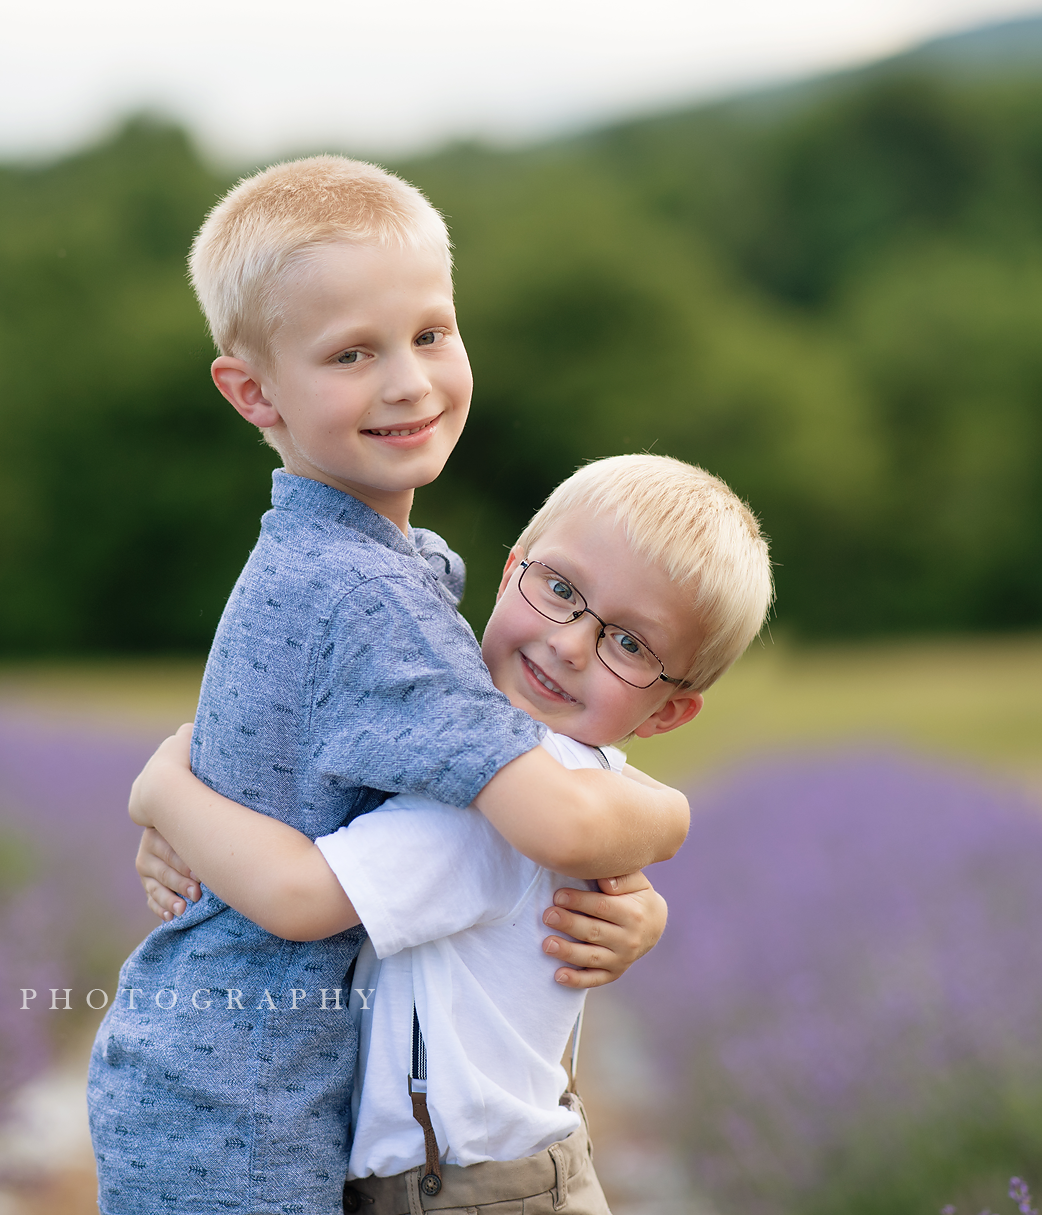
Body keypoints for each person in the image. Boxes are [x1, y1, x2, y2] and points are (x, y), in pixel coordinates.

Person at [86, 157, 690, 1215]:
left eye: (429, 333)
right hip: (241, 1100)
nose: (408, 381)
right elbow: (555, 816)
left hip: (233, 1072)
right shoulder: (366, 599)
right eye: (350, 353)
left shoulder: (355, 565)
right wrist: (666, 816)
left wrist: (630, 904)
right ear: (252, 392)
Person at [130, 454, 774, 1215]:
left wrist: (164, 790)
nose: (570, 644)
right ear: (509, 574)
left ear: (667, 712)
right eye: (562, 589)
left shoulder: (489, 807)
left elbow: (296, 895)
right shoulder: (554, 775)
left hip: (465, 1193)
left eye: (630, 644)